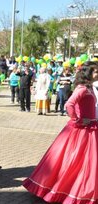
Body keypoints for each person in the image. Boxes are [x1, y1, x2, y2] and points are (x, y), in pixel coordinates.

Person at [23, 62, 98, 204]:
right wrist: (78, 120)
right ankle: (68, 189)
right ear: (87, 73)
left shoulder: (89, 88)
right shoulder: (82, 88)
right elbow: (69, 104)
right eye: (95, 72)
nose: (97, 74)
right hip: (82, 131)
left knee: (87, 163)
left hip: (91, 128)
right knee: (75, 161)